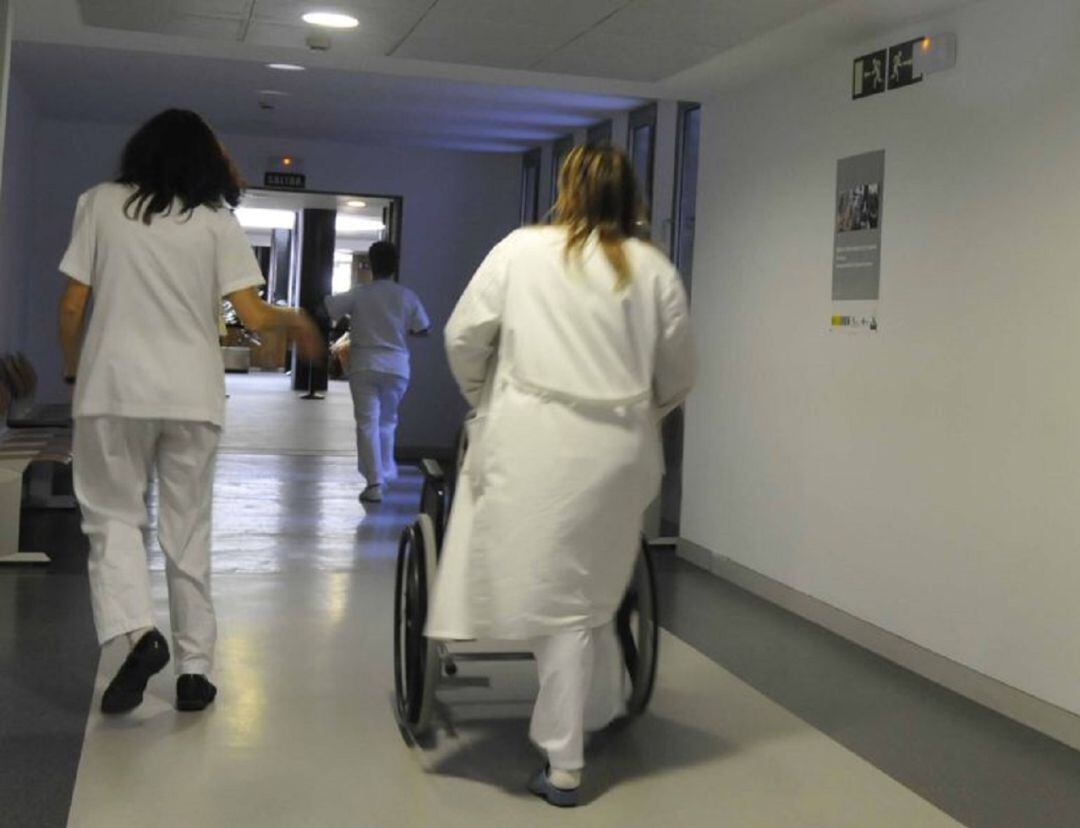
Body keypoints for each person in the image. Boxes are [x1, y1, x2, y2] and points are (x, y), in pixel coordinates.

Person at [426, 145, 695, 806]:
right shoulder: (654, 268)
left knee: (561, 602)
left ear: (566, 188)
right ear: (632, 195)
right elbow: (680, 374)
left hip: (533, 440)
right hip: (620, 450)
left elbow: (463, 337)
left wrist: (484, 396)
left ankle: (565, 759)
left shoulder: (521, 251)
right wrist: (638, 412)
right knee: (588, 588)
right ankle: (593, 709)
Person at [57, 109, 323, 715]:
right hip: (193, 395)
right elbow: (253, 318)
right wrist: (298, 320)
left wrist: (74, 367)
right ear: (208, 160)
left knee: (112, 520)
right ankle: (195, 670)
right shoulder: (216, 220)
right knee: (189, 528)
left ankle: (137, 634)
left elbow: (73, 304)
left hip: (113, 390)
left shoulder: (99, 204)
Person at [324, 242, 430, 503]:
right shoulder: (407, 296)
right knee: (387, 421)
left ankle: (374, 483)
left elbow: (327, 308)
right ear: (396, 266)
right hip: (396, 368)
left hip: (364, 365)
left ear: (371, 264)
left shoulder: (360, 293)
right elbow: (424, 328)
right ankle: (386, 470)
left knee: (367, 422)